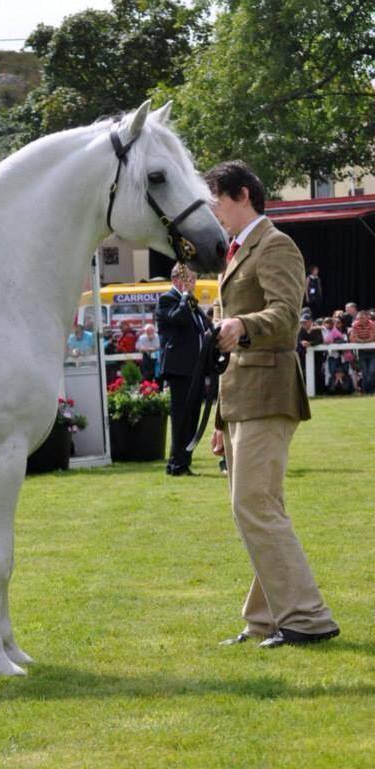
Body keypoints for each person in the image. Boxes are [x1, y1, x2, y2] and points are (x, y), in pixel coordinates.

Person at [206, 160, 339, 649]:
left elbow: (286, 316)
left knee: (254, 506)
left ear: (243, 195)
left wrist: (241, 325)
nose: (213, 210)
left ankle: (308, 617)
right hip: (241, 398)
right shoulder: (238, 250)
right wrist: (221, 419)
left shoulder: (277, 244)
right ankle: (263, 619)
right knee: (259, 508)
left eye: (216, 199)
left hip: (268, 392)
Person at [156, 265, 212, 476]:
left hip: (194, 369)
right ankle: (176, 463)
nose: (193, 284)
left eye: (194, 280)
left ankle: (184, 461)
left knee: (192, 417)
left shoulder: (190, 302)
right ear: (177, 279)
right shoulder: (169, 299)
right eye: (190, 280)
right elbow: (178, 318)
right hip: (180, 369)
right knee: (181, 417)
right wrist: (186, 296)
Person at [348, 308, 375, 393]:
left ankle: (368, 390)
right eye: (359, 318)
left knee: (371, 371)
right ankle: (366, 391)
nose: (360, 320)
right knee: (365, 372)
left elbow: (372, 338)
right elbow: (353, 338)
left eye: (362, 318)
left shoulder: (372, 324)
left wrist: (362, 341)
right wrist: (364, 341)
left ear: (367, 317)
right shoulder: (355, 325)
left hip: (372, 352)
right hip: (362, 352)